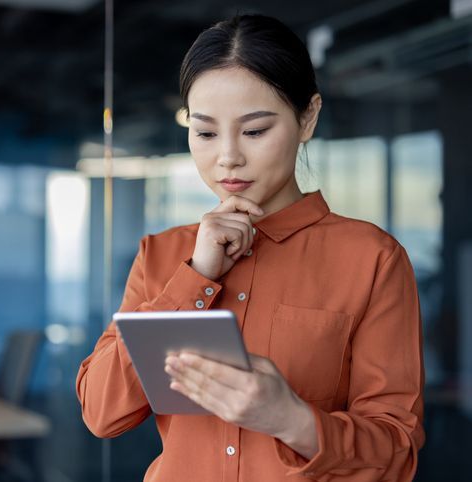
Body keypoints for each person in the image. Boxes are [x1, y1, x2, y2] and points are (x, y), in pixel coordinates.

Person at [76, 13, 425, 482]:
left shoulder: (372, 260)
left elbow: (397, 452)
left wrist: (292, 420)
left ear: (308, 118)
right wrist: (196, 277)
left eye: (255, 130)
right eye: (204, 132)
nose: (227, 157)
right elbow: (101, 413)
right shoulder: (162, 256)